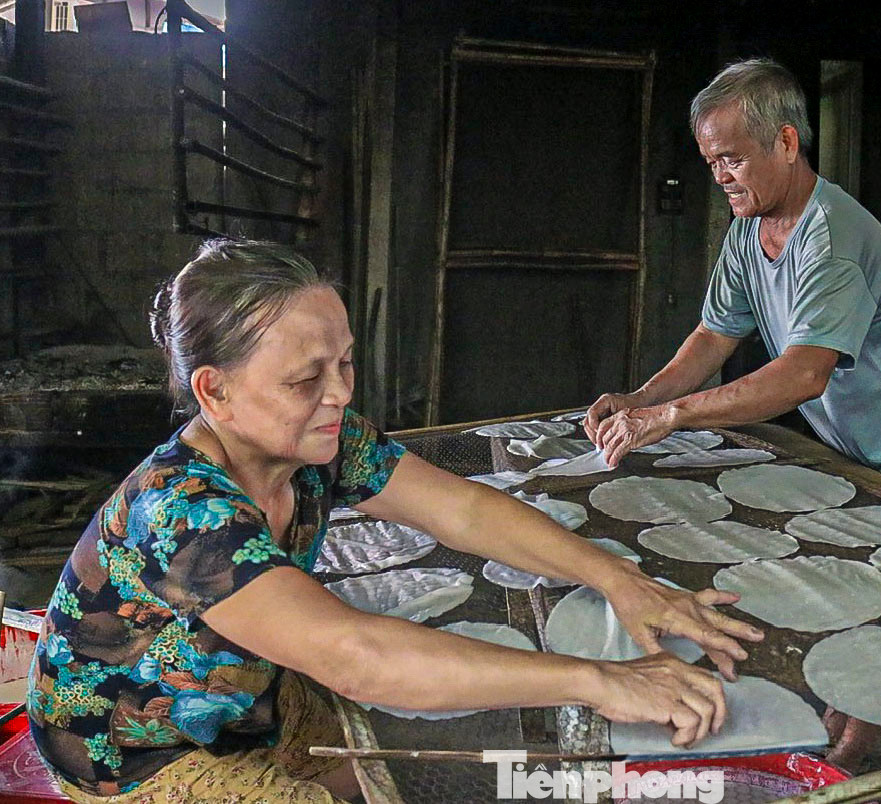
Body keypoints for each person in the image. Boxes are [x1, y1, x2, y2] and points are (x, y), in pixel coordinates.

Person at [27, 240, 763, 803]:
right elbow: (357, 656)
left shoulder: (317, 445)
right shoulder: (184, 512)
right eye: (304, 379)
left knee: (384, 766)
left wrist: (619, 579)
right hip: (137, 755)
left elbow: (464, 507)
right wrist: (598, 679)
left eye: (344, 364)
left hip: (247, 696)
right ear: (214, 391)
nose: (339, 394)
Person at [585, 57, 881, 514]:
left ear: (786, 142)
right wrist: (641, 400)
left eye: (733, 159)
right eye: (712, 162)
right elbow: (714, 335)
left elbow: (804, 374)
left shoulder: (831, 237)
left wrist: (671, 416)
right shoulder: (748, 229)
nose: (720, 177)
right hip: (852, 449)